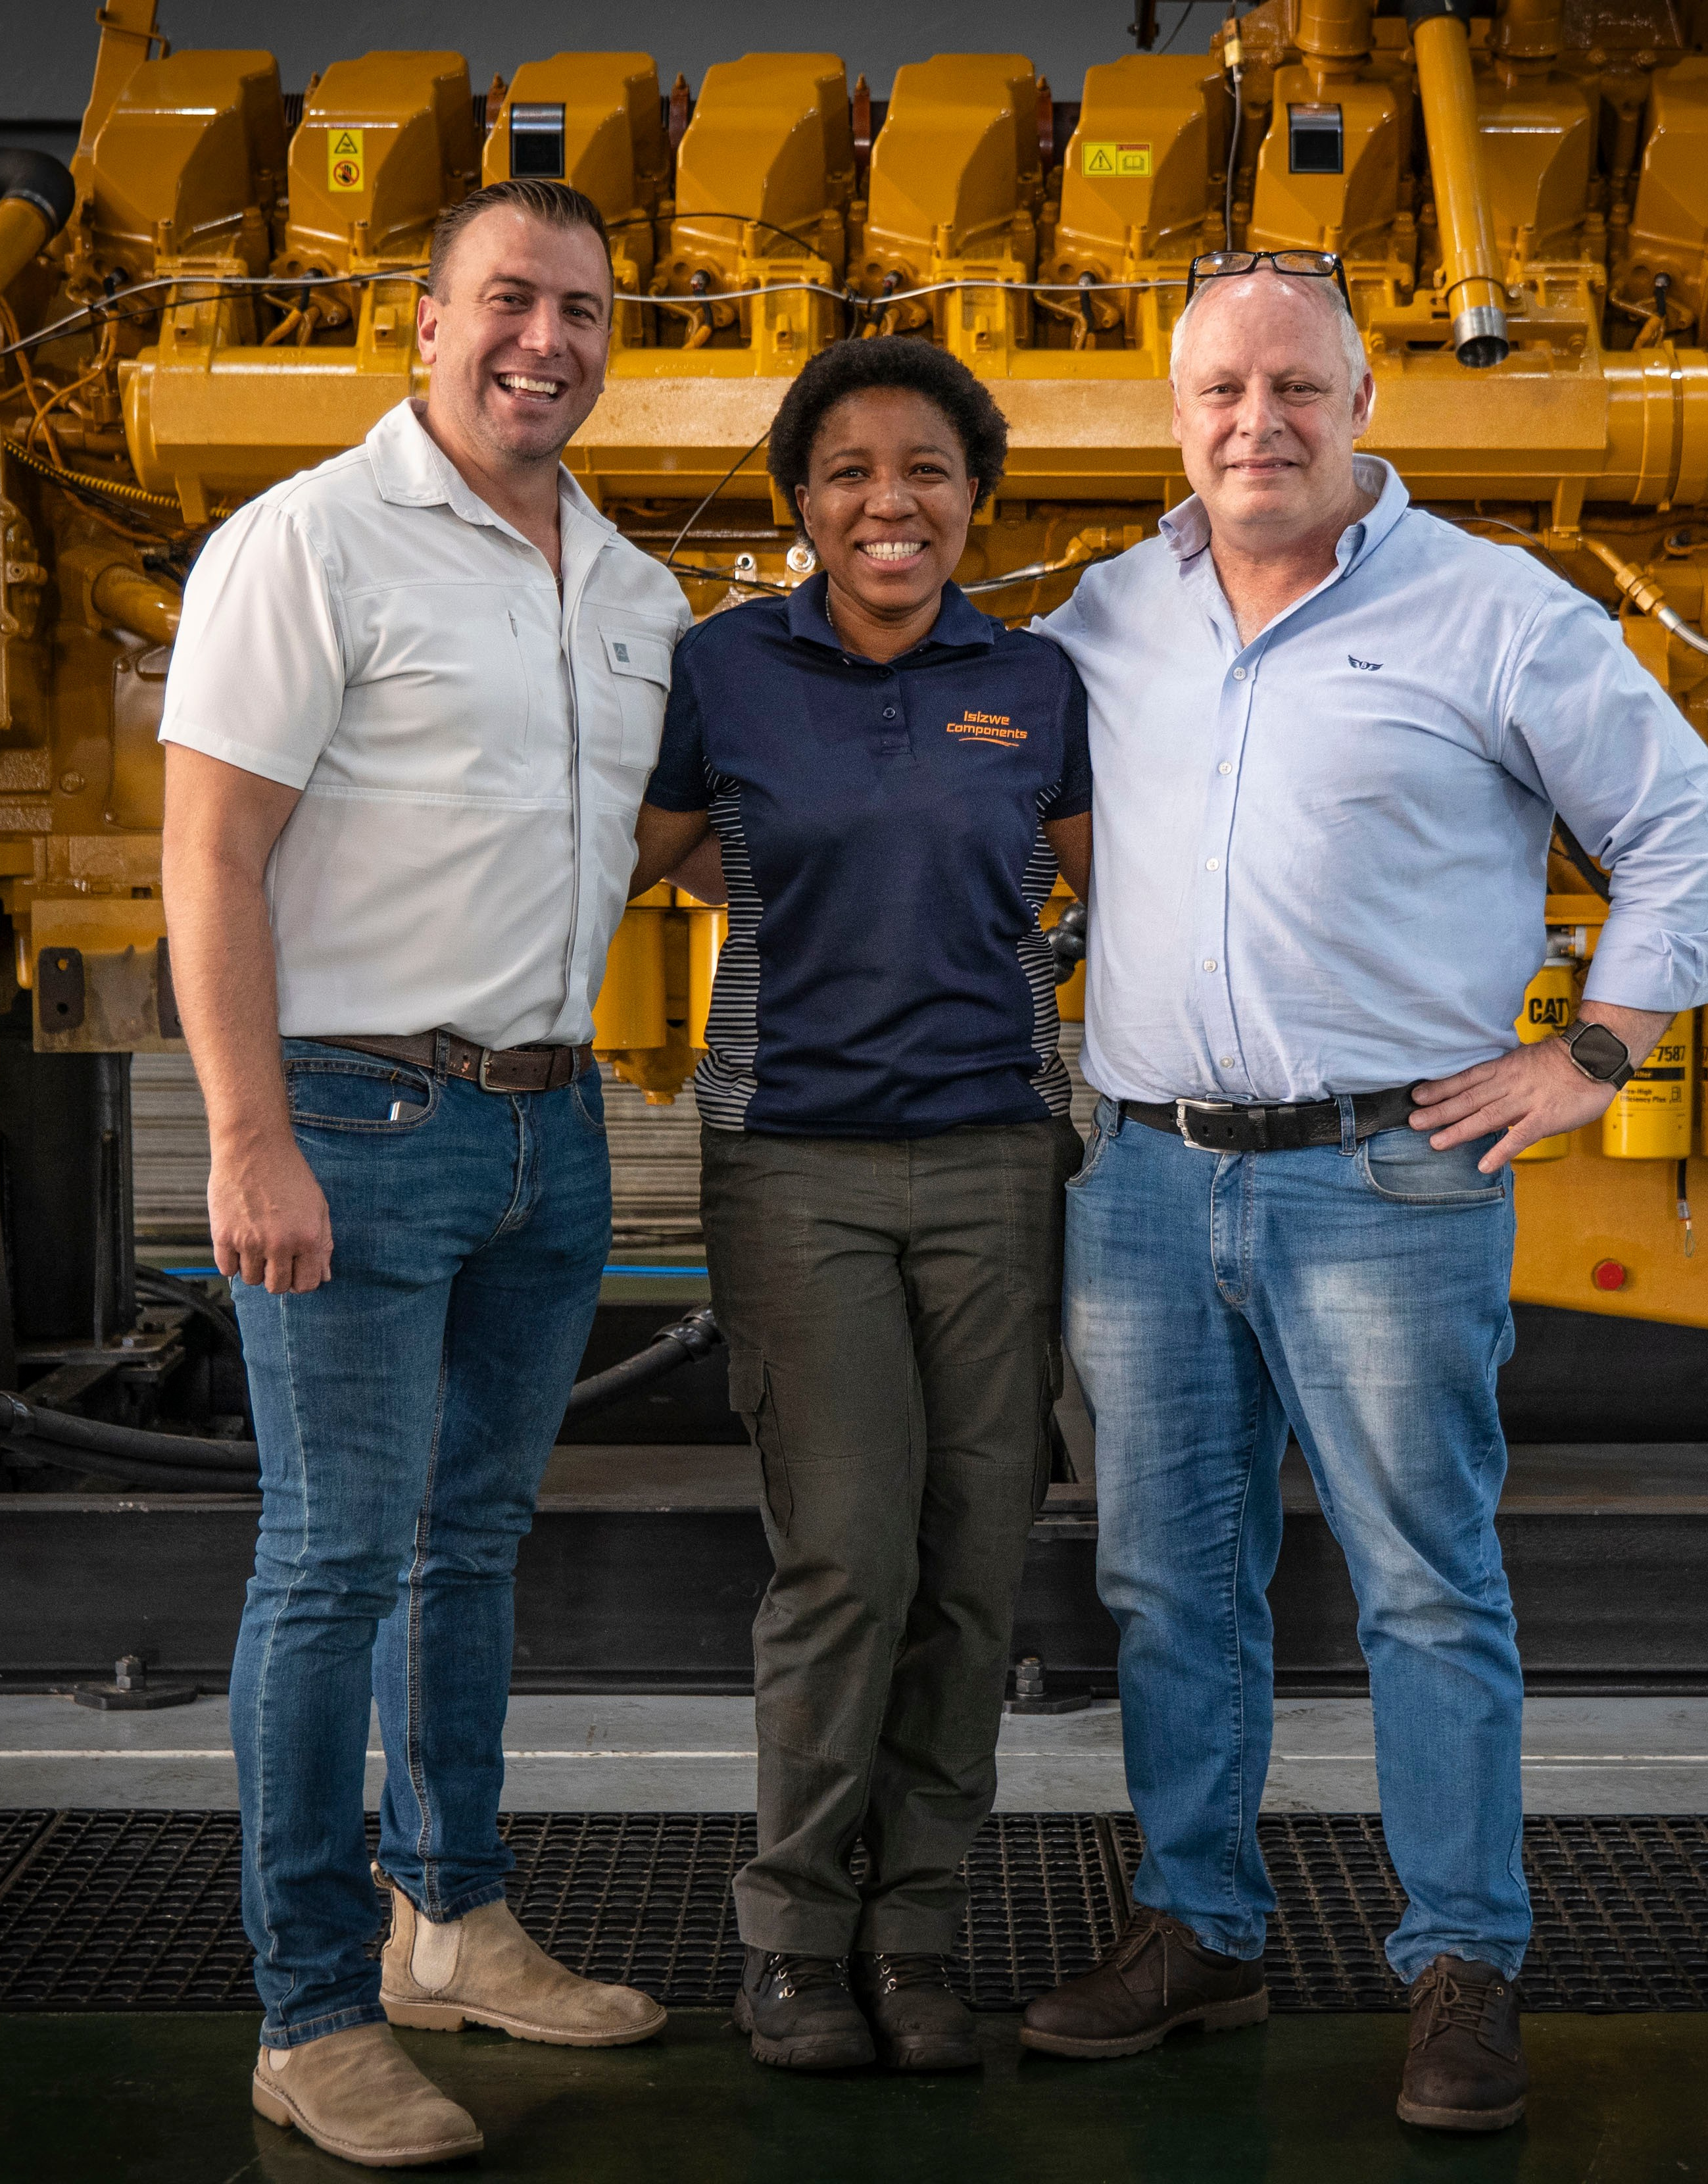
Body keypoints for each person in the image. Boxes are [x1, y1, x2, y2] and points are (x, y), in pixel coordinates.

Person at [1015, 254, 1708, 2132]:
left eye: (1294, 388)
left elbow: (1686, 823)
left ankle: (1457, 1968)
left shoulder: (1493, 614)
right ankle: (1197, 1930)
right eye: (1217, 395)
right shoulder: (1110, 615)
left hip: (1385, 1180)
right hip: (1149, 1181)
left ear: (1362, 405)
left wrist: (1592, 1054)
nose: (1254, 424)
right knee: (1169, 1586)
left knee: (1425, 1587)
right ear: (1172, 416)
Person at [159, 176, 684, 2169]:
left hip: (552, 1128)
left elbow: (590, 838)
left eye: (579, 311)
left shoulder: (627, 589)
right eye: (506, 300)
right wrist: (244, 1135)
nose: (542, 339)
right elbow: (208, 860)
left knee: (469, 1548)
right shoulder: (307, 542)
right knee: (331, 1565)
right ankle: (306, 2017)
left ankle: (448, 1921)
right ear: (425, 321)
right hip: (353, 1121)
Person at [629, 337, 1093, 2075]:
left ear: (974, 502)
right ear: (798, 506)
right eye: (844, 472)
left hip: (993, 1162)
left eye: (923, 470)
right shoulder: (725, 669)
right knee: (845, 1559)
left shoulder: (1034, 681)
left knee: (973, 1565)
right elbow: (636, 853)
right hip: (794, 1162)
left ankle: (918, 1936)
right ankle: (792, 1938)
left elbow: (1121, 892)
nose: (886, 502)